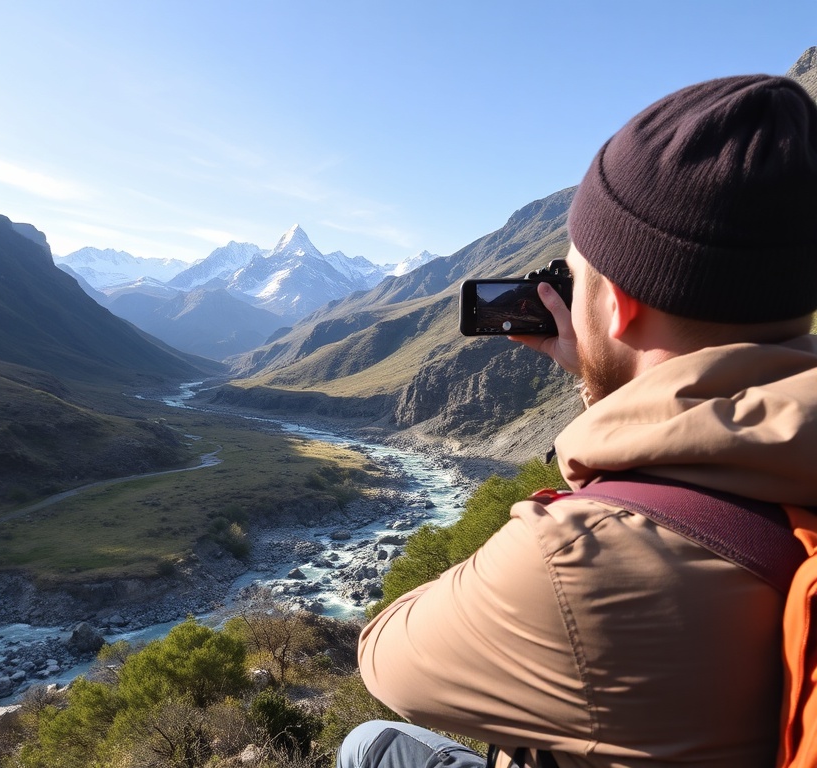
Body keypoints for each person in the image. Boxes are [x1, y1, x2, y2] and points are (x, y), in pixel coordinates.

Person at [338, 74, 817, 768]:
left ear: (618, 306)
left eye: (574, 278)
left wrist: (599, 392)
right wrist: (616, 382)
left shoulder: (575, 559)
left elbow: (386, 657)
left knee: (369, 747)